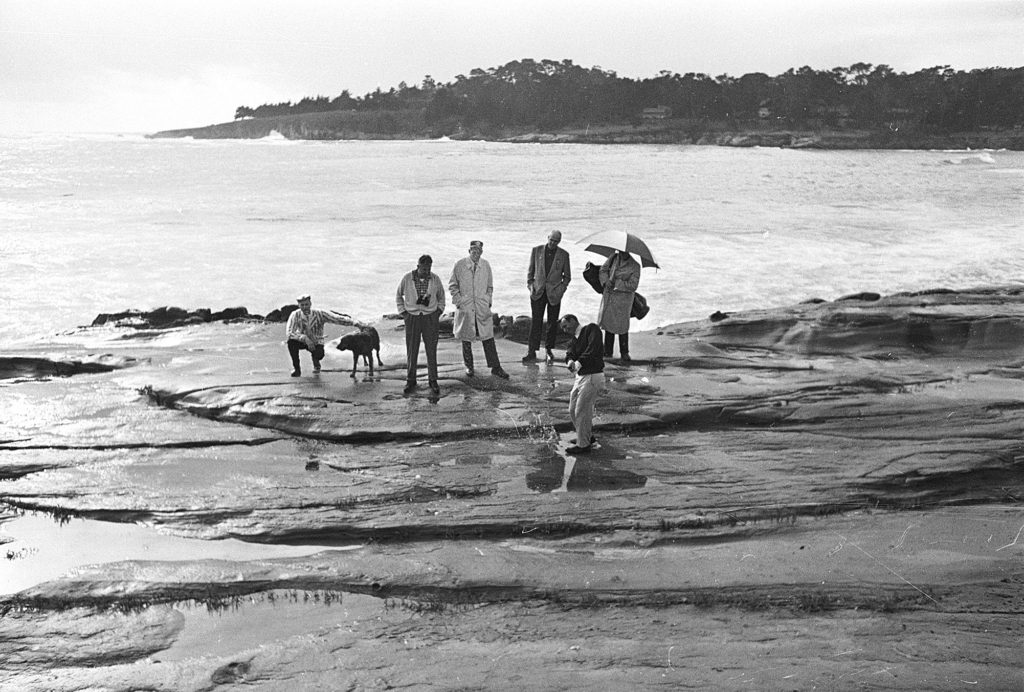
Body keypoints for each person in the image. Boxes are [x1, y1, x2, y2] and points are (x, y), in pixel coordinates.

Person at [449, 240, 509, 379]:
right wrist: (459, 301)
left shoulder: (486, 265)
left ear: (482, 252)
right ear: (469, 251)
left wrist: (488, 300)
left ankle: (496, 367)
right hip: (466, 305)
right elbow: (453, 285)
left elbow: (490, 287)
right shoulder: (460, 265)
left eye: (478, 251)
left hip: (481, 306)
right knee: (466, 338)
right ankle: (469, 366)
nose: (475, 253)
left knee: (488, 336)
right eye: (473, 251)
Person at [396, 254, 446, 395]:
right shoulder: (407, 278)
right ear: (418, 266)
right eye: (424, 268)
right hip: (412, 317)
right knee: (412, 350)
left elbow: (441, 297)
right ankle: (411, 380)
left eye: (429, 268)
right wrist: (403, 313)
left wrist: (438, 312)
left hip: (430, 318)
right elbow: (398, 295)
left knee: (431, 349)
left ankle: (433, 380)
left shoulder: (435, 279)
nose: (426, 271)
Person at [524, 230, 571, 364]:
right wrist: (530, 286)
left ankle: (549, 350)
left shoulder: (564, 255)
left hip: (554, 294)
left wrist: (561, 290)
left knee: (552, 323)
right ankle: (531, 351)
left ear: (559, 241)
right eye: (551, 240)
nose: (553, 243)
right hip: (538, 292)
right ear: (548, 238)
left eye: (556, 241)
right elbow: (530, 272)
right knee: (536, 322)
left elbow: (567, 277)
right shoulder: (536, 250)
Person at [560, 314, 604, 454]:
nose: (564, 330)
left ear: (573, 321)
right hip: (581, 377)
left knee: (582, 410)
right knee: (573, 409)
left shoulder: (591, 329)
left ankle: (583, 445)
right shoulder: (574, 340)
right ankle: (585, 437)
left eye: (566, 326)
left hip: (593, 375)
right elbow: (569, 354)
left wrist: (578, 362)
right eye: (563, 328)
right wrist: (570, 362)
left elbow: (593, 348)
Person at [285, 295, 351, 377]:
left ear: (310, 304)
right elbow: (289, 332)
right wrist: (304, 338)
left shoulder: (320, 313)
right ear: (299, 305)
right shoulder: (295, 314)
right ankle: (297, 370)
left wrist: (357, 323)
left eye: (306, 304)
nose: (305, 307)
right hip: (303, 340)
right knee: (291, 342)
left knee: (319, 355)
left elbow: (337, 319)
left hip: (317, 341)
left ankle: (316, 362)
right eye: (302, 305)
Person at [597, 250, 641, 361]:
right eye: (620, 251)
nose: (622, 253)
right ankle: (607, 352)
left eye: (624, 252)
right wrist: (606, 281)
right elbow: (603, 270)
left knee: (622, 326)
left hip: (623, 301)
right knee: (608, 325)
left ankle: (624, 352)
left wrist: (617, 283)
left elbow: (633, 285)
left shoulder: (635, 266)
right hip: (610, 297)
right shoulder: (613, 258)